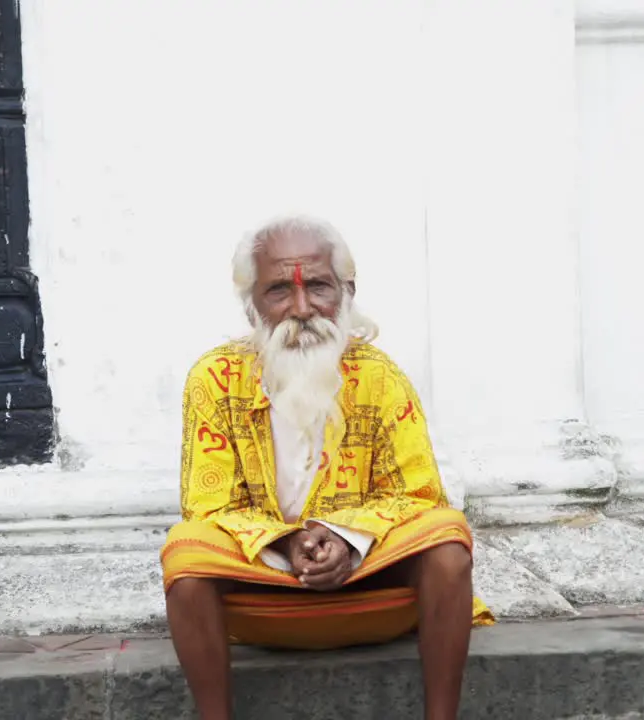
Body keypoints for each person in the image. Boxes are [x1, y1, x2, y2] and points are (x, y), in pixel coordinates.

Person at [161, 215, 495, 720]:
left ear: (346, 291)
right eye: (279, 291)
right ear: (252, 304)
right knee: (185, 555)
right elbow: (208, 506)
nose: (301, 308)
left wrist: (346, 538)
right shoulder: (214, 378)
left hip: (368, 584)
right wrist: (285, 542)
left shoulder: (379, 377)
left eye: (317, 286)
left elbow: (419, 495)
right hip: (263, 595)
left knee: (447, 537)